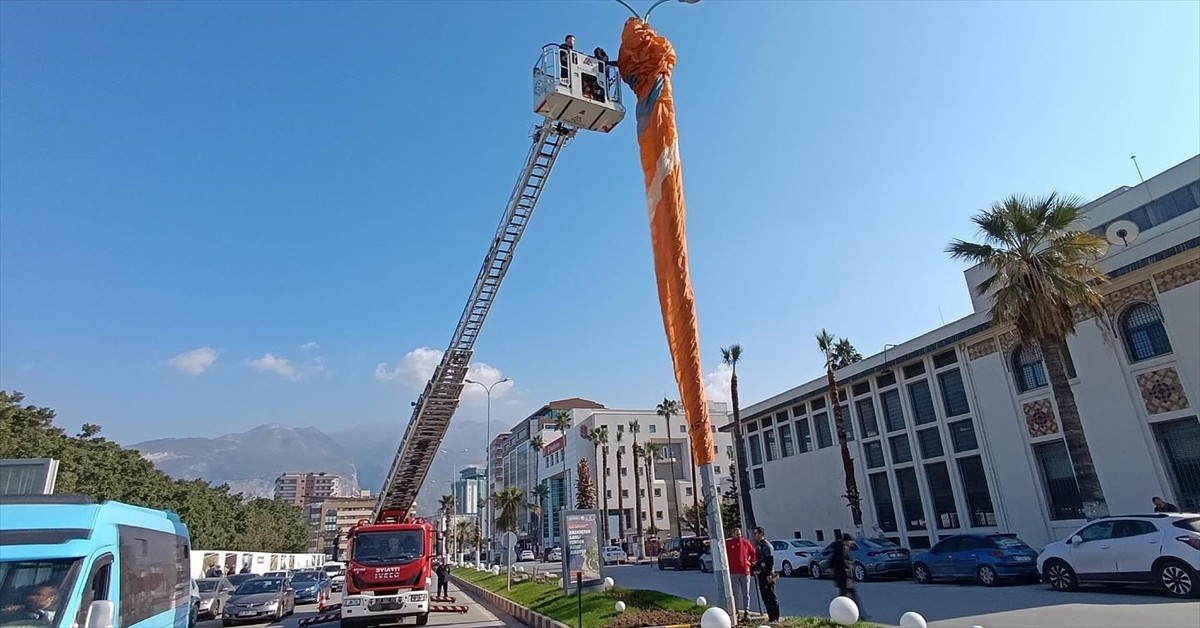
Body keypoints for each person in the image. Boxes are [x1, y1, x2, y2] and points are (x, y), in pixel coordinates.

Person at [724, 527, 755, 622]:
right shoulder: (728, 543)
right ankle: (737, 612)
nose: (739, 536)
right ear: (732, 534)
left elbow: (753, 553)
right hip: (733, 572)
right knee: (735, 594)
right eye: (737, 534)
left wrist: (751, 562)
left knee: (746, 593)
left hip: (745, 571)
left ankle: (747, 611)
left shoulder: (746, 542)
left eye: (740, 534)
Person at [831, 534, 865, 619]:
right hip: (846, 577)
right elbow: (843, 562)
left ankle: (843, 615)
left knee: (845, 596)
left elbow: (832, 562)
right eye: (851, 541)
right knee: (851, 597)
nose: (852, 543)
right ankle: (858, 616)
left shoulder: (837, 548)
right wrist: (849, 568)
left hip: (841, 577)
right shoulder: (844, 549)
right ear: (847, 541)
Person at [751, 527, 780, 622]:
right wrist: (755, 569)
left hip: (768, 574)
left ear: (761, 534)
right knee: (765, 597)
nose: (754, 535)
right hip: (761, 574)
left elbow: (770, 561)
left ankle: (775, 618)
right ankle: (770, 617)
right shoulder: (758, 545)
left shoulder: (767, 546)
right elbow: (758, 561)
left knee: (771, 597)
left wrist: (768, 575)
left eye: (756, 533)